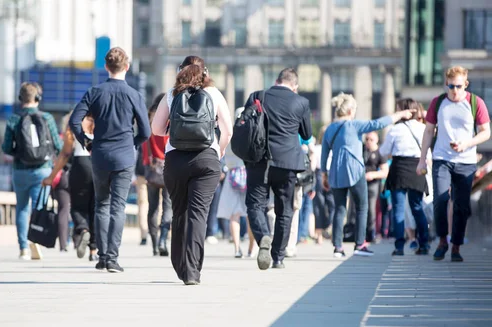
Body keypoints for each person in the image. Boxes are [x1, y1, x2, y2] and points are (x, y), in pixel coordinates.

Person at [152, 55, 233, 285]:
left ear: (181, 71)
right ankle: (193, 271)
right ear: (205, 72)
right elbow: (228, 131)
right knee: (198, 215)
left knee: (179, 213)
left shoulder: (172, 94)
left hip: (175, 159)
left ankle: (180, 265)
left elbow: (156, 130)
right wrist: (220, 150)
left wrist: (178, 129)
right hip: (206, 159)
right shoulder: (214, 94)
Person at [70, 47, 150, 273]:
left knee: (101, 205)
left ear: (106, 66)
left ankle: (103, 257)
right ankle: (113, 258)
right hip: (124, 155)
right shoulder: (134, 95)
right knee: (118, 207)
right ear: (127, 67)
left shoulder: (95, 92)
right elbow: (145, 131)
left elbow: (75, 122)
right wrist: (132, 143)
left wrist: (86, 142)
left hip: (100, 154)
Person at [320, 92, 413, 258]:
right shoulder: (354, 125)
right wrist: (399, 114)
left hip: (336, 172)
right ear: (350, 111)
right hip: (355, 172)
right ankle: (360, 244)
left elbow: (324, 154)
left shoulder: (329, 129)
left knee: (340, 209)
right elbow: (378, 123)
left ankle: (338, 247)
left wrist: (324, 174)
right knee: (362, 207)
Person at [416, 66, 490, 262]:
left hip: (465, 162)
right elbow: (428, 131)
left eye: (458, 86)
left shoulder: (476, 103)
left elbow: (486, 132)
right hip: (442, 159)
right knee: (440, 200)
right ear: (445, 84)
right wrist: (422, 159)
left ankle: (456, 246)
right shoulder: (438, 102)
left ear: (465, 84)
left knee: (461, 206)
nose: (454, 90)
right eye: (450, 86)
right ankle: (442, 241)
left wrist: (467, 143)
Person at [244, 68, 312, 270]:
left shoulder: (258, 96)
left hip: (259, 159)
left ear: (276, 81)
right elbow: (306, 134)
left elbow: (246, 125)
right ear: (295, 86)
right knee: (285, 209)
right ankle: (278, 257)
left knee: (255, 204)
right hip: (288, 162)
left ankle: (263, 236)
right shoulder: (301, 102)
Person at [2, 82, 62, 260]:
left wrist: (19, 153)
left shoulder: (14, 119)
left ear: (21, 99)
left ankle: (23, 249)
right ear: (38, 98)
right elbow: (58, 146)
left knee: (21, 208)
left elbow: (6, 147)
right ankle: (34, 240)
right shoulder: (47, 118)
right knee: (38, 207)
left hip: (20, 170)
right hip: (42, 170)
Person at [43, 113, 98, 260]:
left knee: (77, 207)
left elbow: (65, 154)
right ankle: (93, 250)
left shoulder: (74, 126)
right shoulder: (100, 124)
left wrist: (51, 177)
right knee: (95, 208)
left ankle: (82, 228)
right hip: (98, 167)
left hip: (80, 166)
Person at [380, 98, 430, 256]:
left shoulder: (395, 130)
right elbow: (428, 153)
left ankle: (399, 247)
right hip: (417, 168)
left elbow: (383, 151)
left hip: (399, 169)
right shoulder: (423, 128)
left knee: (398, 210)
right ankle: (424, 245)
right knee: (417, 208)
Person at [142, 93, 172, 256]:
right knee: (168, 206)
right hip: (168, 168)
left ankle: (154, 244)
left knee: (152, 207)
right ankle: (162, 240)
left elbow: (144, 147)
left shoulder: (148, 120)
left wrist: (146, 164)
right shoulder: (168, 120)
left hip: (152, 168)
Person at [362, 131, 388, 243]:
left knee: (371, 209)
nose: (368, 142)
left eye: (371, 139)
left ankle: (371, 233)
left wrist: (372, 175)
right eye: (367, 139)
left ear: (376, 140)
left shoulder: (380, 153)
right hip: (360, 183)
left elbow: (385, 172)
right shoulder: (362, 151)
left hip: (373, 184)